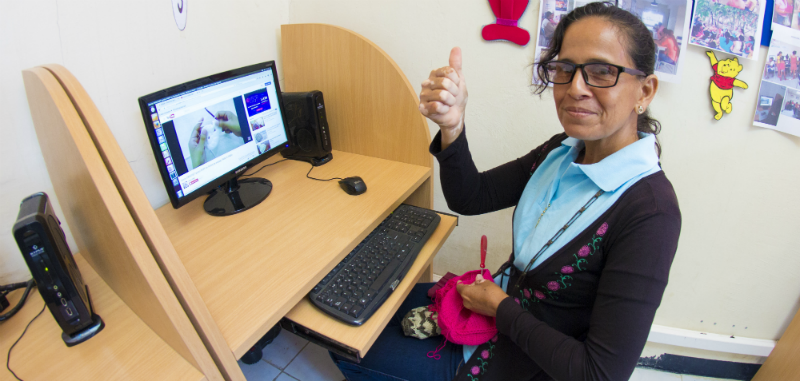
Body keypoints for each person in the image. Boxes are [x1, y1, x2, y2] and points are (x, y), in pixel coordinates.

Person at [330, 3, 681, 380]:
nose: (575, 88)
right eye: (564, 69)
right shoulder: (561, 151)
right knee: (356, 314)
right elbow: (472, 197)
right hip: (487, 315)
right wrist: (453, 126)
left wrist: (501, 309)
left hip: (522, 363)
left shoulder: (651, 213)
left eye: (601, 72)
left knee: (347, 350)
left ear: (645, 90)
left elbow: (599, 373)